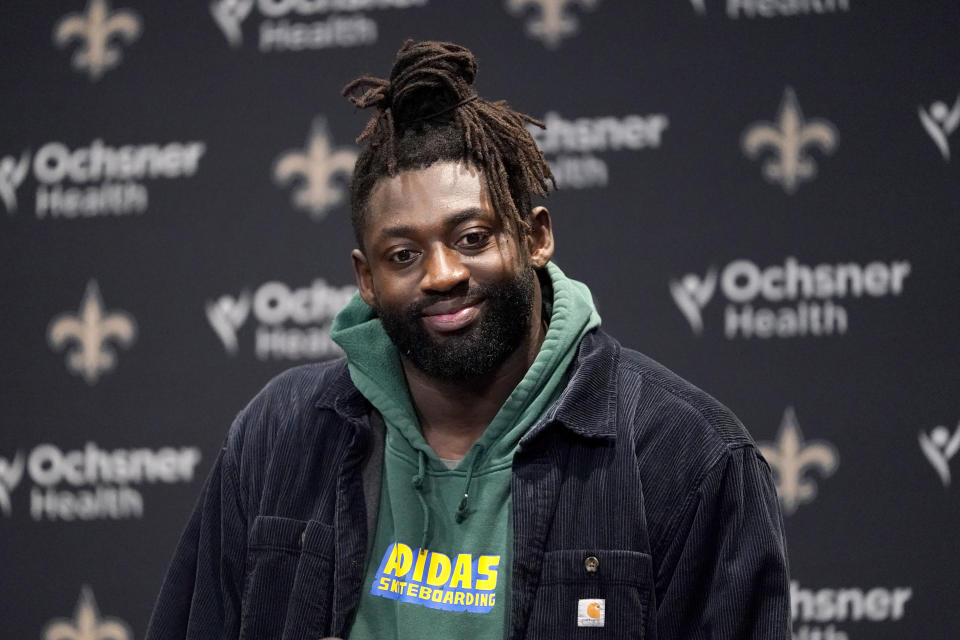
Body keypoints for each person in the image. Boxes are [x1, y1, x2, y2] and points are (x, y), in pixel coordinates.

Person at [146, 40, 790, 640]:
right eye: (403, 255)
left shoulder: (690, 460)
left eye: (472, 238)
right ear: (366, 279)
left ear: (535, 236)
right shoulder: (279, 436)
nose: (443, 274)